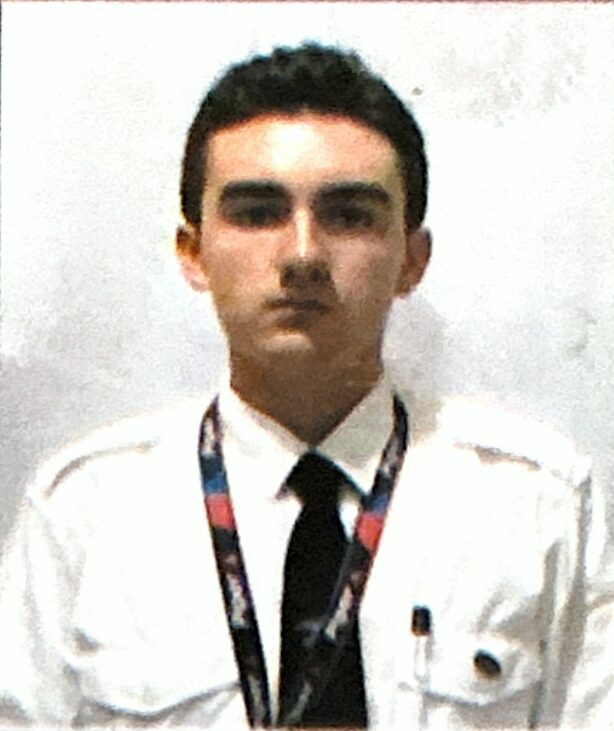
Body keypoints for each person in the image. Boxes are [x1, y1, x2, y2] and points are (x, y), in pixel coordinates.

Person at [0, 43, 611, 730]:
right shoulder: (83, 513)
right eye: (257, 212)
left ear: (412, 259)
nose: (302, 255)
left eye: (348, 215)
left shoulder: (536, 505)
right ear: (193, 253)